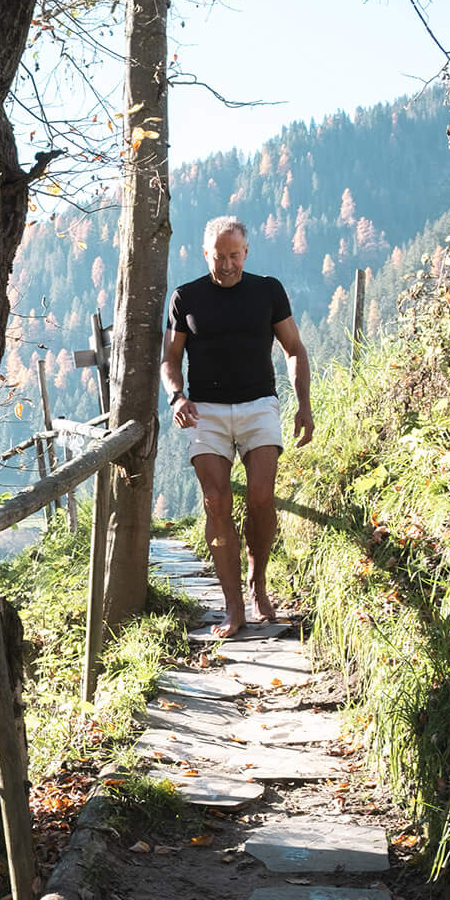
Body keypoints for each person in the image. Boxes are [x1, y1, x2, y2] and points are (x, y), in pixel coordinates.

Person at [159, 215, 314, 638]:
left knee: (262, 497)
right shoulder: (185, 297)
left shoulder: (268, 291)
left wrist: (303, 404)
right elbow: (170, 359)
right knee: (216, 501)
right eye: (219, 256)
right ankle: (232, 607)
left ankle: (257, 581)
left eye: (234, 255)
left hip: (259, 405)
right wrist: (178, 396)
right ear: (205, 253)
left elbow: (294, 348)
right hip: (204, 411)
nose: (227, 264)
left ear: (246, 252)